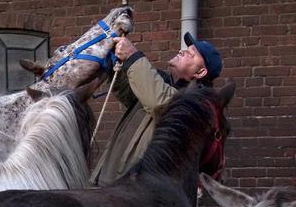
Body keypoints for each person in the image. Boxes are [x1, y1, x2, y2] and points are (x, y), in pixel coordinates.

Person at [90, 32, 223, 186]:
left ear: (200, 72)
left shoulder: (193, 105)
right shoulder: (161, 85)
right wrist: (114, 65)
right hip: (110, 182)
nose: (182, 51)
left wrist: (132, 56)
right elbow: (128, 93)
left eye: (190, 54)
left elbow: (158, 102)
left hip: (136, 193)